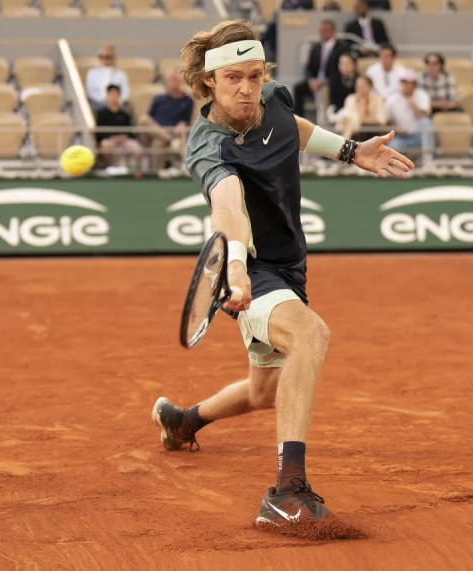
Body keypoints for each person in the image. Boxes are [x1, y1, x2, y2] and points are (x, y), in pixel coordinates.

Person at [151, 20, 413, 527]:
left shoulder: (270, 98)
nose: (247, 89)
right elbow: (228, 207)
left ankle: (182, 423)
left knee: (265, 391)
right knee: (310, 335)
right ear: (209, 81)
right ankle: (286, 492)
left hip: (290, 265)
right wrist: (235, 268)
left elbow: (292, 126)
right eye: (234, 80)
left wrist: (351, 151)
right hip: (249, 268)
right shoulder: (207, 146)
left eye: (255, 75)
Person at [292, 20, 351, 117]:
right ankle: (299, 120)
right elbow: (309, 68)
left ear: (332, 31)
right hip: (315, 81)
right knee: (298, 88)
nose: (321, 33)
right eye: (320, 30)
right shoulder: (316, 47)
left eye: (324, 30)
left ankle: (328, 117)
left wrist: (323, 81)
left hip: (331, 82)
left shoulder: (342, 48)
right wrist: (311, 80)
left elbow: (340, 70)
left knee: (328, 88)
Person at [138, 68, 193, 170]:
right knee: (143, 119)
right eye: (170, 80)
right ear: (166, 82)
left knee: (157, 143)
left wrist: (183, 124)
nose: (173, 82)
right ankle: (170, 141)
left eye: (174, 79)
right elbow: (149, 118)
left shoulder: (187, 99)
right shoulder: (158, 99)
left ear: (179, 81)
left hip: (173, 131)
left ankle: (156, 177)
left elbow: (187, 120)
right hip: (157, 131)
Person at [95, 84, 144, 175]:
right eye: (111, 94)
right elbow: (99, 131)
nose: (113, 97)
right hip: (109, 140)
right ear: (107, 96)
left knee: (137, 149)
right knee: (105, 146)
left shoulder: (125, 114)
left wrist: (124, 137)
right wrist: (112, 138)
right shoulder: (102, 114)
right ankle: (108, 168)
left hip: (124, 140)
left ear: (119, 96)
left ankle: (137, 172)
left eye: (115, 94)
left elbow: (131, 131)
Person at [384, 68, 432, 154]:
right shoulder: (391, 99)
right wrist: (397, 131)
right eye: (403, 81)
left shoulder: (421, 95)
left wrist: (413, 105)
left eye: (409, 82)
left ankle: (429, 158)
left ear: (414, 84)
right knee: (393, 145)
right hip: (400, 136)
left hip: (418, 135)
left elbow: (424, 116)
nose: (406, 84)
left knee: (426, 123)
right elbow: (387, 122)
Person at [336, 75, 387, 141]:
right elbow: (351, 118)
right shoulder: (351, 99)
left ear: (370, 87)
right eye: (357, 86)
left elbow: (382, 119)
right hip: (355, 133)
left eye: (362, 86)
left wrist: (366, 119)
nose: (359, 89)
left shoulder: (377, 99)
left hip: (373, 132)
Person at [85, 45, 130, 112]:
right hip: (98, 104)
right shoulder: (92, 73)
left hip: (117, 105)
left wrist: (114, 101)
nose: (104, 60)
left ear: (113, 57)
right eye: (101, 57)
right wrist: (103, 100)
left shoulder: (121, 74)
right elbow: (90, 92)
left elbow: (125, 93)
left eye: (107, 57)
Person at [327, 52, 358, 120]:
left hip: (355, 108)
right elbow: (333, 99)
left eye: (347, 64)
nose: (345, 67)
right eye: (342, 64)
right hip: (338, 109)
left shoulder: (359, 79)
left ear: (354, 65)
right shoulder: (334, 79)